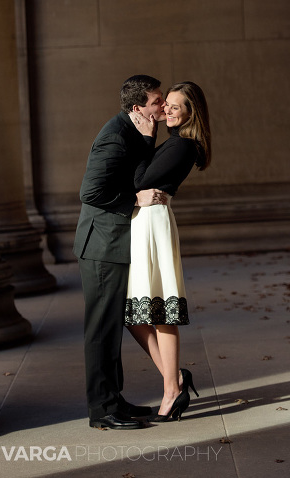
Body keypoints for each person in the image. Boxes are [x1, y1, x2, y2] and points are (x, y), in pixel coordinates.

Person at [73, 74, 168, 430]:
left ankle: (114, 401)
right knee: (101, 330)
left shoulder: (137, 129)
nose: (162, 106)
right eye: (157, 101)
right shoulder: (114, 136)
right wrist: (135, 199)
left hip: (113, 244)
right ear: (137, 107)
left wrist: (148, 136)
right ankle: (102, 411)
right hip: (100, 247)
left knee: (113, 325)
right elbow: (91, 192)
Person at [125, 81, 211, 422]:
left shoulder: (182, 146)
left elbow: (138, 180)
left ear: (191, 114)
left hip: (153, 225)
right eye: (167, 105)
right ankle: (174, 379)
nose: (167, 111)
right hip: (144, 222)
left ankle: (172, 390)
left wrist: (146, 138)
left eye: (175, 107)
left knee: (159, 310)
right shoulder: (173, 143)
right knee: (135, 313)